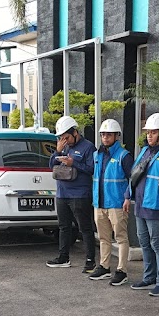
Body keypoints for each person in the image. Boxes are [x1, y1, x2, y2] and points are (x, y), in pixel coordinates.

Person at [125, 113, 159, 297]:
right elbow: (134, 175)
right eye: (148, 132)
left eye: (153, 132)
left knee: (158, 244)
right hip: (140, 205)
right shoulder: (145, 151)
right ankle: (149, 277)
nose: (149, 136)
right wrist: (127, 196)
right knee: (144, 243)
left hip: (156, 206)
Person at [47, 116, 97, 272]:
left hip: (80, 194)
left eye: (67, 137)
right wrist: (57, 151)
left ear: (75, 133)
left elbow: (92, 169)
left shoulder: (88, 147)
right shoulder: (63, 147)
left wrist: (73, 163)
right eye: (62, 138)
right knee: (64, 227)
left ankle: (90, 261)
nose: (65, 141)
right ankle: (63, 257)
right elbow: (51, 166)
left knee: (85, 228)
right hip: (62, 193)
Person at [88, 118, 132, 285]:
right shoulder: (97, 155)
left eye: (109, 134)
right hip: (99, 203)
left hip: (117, 203)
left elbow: (132, 179)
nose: (105, 137)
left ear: (116, 136)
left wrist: (127, 197)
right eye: (103, 134)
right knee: (103, 238)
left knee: (121, 238)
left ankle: (122, 270)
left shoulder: (124, 156)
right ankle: (104, 267)